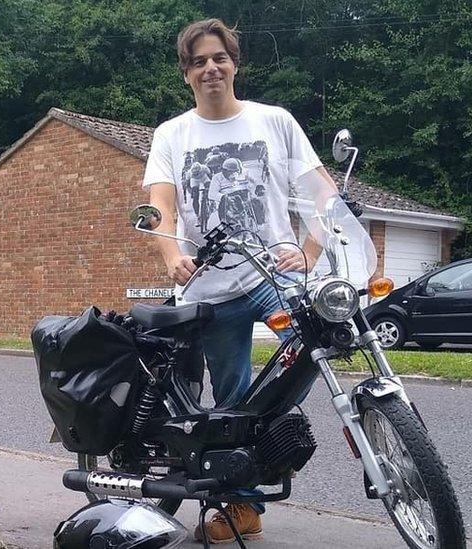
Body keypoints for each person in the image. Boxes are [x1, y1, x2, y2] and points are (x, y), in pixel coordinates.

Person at [141, 18, 334, 544]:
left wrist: (309, 251)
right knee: (230, 397)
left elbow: (321, 192)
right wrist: (169, 253)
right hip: (210, 287)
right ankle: (242, 507)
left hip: (274, 274)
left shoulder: (275, 121)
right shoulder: (172, 135)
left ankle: (270, 432)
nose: (211, 68)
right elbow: (160, 204)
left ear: (234, 63)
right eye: (199, 61)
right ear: (187, 73)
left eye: (219, 58)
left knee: (318, 341)